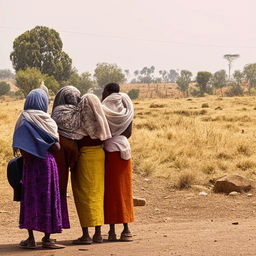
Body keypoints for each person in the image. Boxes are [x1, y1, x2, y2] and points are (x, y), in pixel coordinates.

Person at [12, 89, 63, 249]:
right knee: (48, 198)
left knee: (30, 199)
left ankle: (31, 239)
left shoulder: (23, 119)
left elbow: (20, 146)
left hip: (30, 165)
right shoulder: (48, 121)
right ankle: (47, 239)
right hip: (48, 164)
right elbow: (57, 148)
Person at [69, 93, 111, 244]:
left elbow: (74, 141)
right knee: (97, 194)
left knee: (83, 195)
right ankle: (98, 233)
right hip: (99, 156)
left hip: (84, 157)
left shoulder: (79, 122)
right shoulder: (101, 123)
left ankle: (86, 234)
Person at [102, 83, 135, 242]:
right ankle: (126, 229)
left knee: (110, 191)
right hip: (125, 151)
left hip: (109, 151)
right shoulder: (127, 106)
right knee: (125, 190)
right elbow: (128, 133)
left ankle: (112, 231)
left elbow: (100, 132)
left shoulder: (104, 107)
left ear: (107, 91)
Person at [51, 86, 81, 229]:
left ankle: (55, 224)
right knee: (61, 191)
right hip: (74, 154)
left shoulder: (56, 114)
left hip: (55, 155)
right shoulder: (79, 115)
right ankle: (60, 222)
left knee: (56, 190)